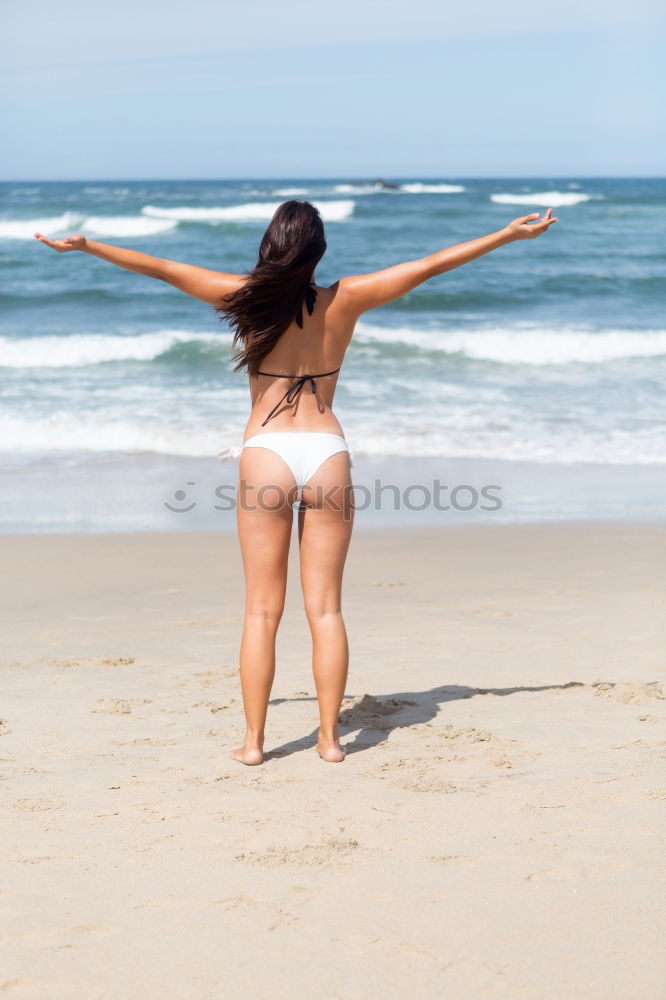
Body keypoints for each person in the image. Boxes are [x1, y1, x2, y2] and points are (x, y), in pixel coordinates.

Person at [35, 200, 558, 765]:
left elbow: (162, 268)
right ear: (318, 251)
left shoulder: (243, 296)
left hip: (266, 454)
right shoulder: (347, 298)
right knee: (326, 610)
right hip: (327, 453)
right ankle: (331, 741)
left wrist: (91, 248)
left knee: (262, 610)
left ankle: (255, 744)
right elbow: (429, 266)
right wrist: (504, 235)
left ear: (270, 244)